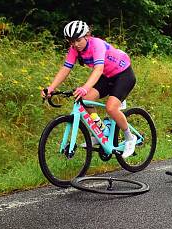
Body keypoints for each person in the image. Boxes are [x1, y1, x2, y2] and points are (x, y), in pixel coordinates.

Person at [41, 20, 138, 157]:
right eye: (71, 41)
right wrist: (50, 88)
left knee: (111, 108)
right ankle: (101, 130)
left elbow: (98, 69)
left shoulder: (96, 44)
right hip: (107, 76)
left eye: (78, 40)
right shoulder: (75, 49)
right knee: (85, 100)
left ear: (87, 35)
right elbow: (65, 69)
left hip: (123, 75)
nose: (75, 44)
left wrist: (85, 87)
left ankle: (129, 138)